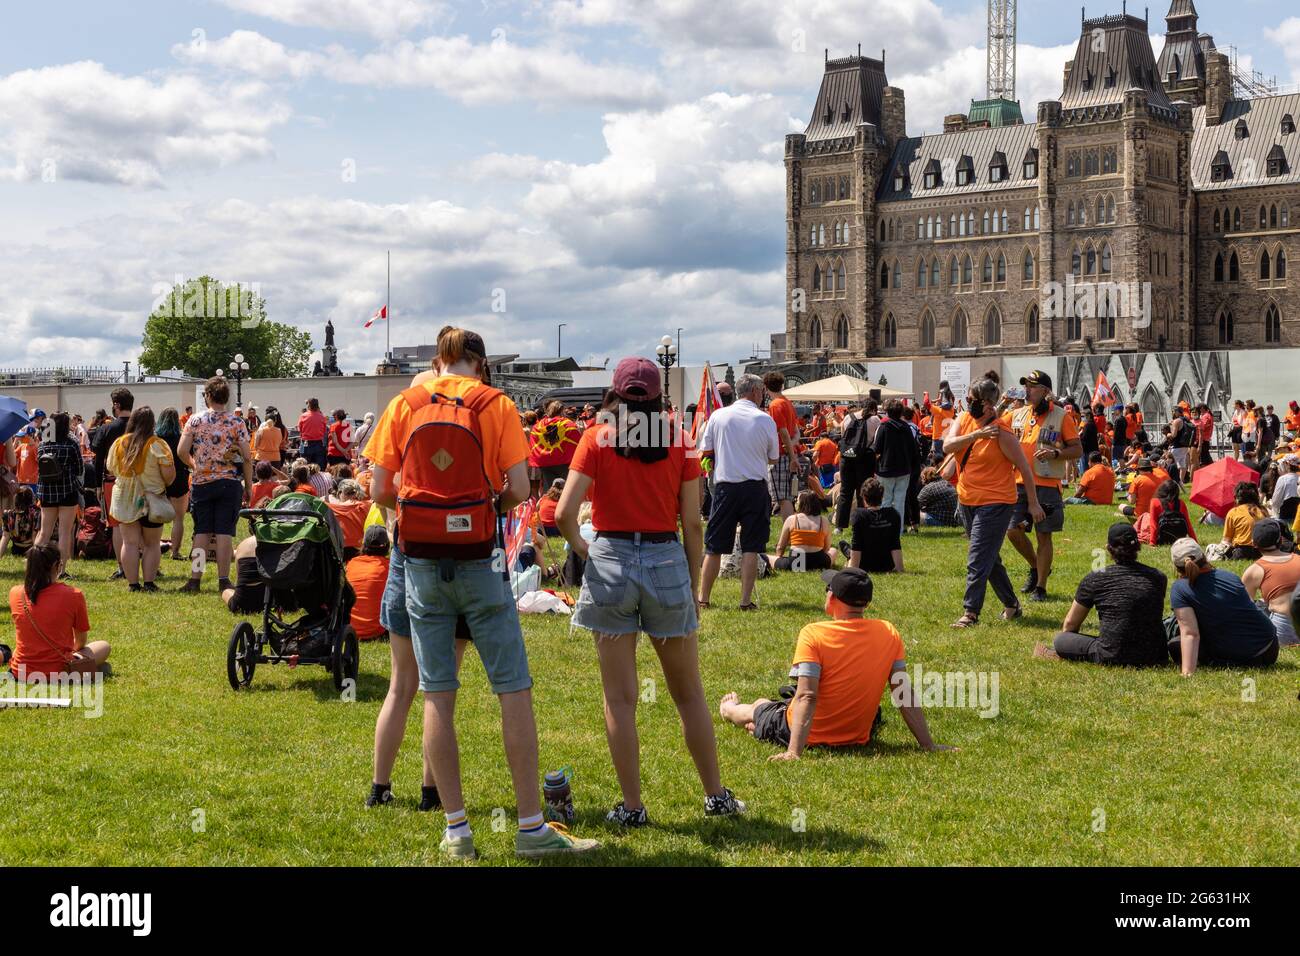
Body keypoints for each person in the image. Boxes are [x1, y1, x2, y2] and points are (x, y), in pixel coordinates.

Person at [368, 326, 598, 859]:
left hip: (422, 565)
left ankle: (456, 829)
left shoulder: (405, 402)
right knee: (512, 688)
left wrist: (416, 516)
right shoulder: (495, 405)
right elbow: (519, 488)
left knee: (436, 693)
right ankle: (530, 826)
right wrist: (482, 512)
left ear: (438, 360)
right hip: (480, 559)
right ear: (480, 362)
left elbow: (380, 488)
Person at [557, 356, 745, 828]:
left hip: (611, 563)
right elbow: (692, 523)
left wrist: (587, 550)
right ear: (659, 395)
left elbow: (563, 515)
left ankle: (633, 807)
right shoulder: (680, 440)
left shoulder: (597, 438)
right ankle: (716, 796)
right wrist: (688, 579)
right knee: (689, 694)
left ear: (615, 394)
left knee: (619, 699)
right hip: (665, 560)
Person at [718, 568, 953, 757]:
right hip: (857, 734)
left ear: (832, 598)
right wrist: (927, 744)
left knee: (760, 706)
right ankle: (762, 725)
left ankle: (730, 710)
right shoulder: (888, 632)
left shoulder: (813, 634)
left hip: (808, 733)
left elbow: (807, 696)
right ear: (866, 604)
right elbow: (902, 693)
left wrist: (793, 752)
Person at [944, 373, 1044, 629]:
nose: (968, 403)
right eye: (968, 399)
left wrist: (1033, 503)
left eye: (972, 399)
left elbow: (1024, 466)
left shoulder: (1002, 432)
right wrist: (976, 436)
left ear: (989, 404)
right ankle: (1012, 604)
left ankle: (971, 612)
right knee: (990, 557)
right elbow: (947, 446)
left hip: (997, 502)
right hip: (966, 499)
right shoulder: (965, 419)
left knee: (977, 557)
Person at [697, 374, 780, 611]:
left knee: (714, 546)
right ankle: (745, 600)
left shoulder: (718, 416)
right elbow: (774, 456)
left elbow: (707, 450)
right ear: (754, 391)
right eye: (761, 390)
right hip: (754, 487)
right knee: (751, 546)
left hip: (726, 486)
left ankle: (704, 598)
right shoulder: (764, 420)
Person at [1003, 371, 1081, 602]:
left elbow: (1077, 449)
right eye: (1026, 385)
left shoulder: (1061, 416)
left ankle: (1041, 587)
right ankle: (1037, 566)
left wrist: (1056, 452)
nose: (1027, 390)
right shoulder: (1017, 414)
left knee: (1044, 535)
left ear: (1046, 391)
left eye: (1033, 386)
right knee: (1012, 530)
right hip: (1018, 482)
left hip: (1046, 483)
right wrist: (1001, 403)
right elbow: (994, 425)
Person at [1043, 523, 1168, 666]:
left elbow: (1071, 624)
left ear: (1109, 548)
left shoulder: (1096, 578)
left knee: (1061, 640)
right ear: (1137, 546)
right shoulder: (1158, 577)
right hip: (1156, 655)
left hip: (1112, 654)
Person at [177, 377, 254, 595]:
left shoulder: (194, 420)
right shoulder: (237, 422)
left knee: (201, 532)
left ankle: (195, 579)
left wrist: (195, 465)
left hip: (202, 482)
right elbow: (247, 457)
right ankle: (223, 580)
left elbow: (182, 451)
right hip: (229, 483)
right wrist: (249, 485)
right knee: (224, 533)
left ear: (208, 396)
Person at [1168, 538, 1279, 674]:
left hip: (1242, 657)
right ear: (1203, 556)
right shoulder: (1229, 576)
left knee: (1175, 645)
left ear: (1177, 567)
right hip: (1269, 648)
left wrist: (1187, 673)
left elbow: (1190, 633)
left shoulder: (1180, 589)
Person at [7, 546, 110, 680]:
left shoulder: (15, 593)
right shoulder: (73, 595)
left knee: (21, 647)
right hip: (59, 670)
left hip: (21, 671)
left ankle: (90, 670)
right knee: (104, 646)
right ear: (56, 566)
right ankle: (87, 669)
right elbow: (80, 641)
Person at [106, 406, 176, 593]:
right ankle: (149, 583)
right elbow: (169, 475)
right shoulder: (158, 444)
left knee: (129, 543)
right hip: (151, 498)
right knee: (152, 543)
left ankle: (133, 584)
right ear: (152, 423)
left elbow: (110, 468)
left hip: (124, 498)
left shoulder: (119, 443)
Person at [91, 387, 133, 579]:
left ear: (116, 405)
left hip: (112, 480)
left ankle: (122, 567)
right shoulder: (140, 427)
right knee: (137, 522)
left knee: (115, 524)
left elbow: (98, 459)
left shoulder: (106, 428)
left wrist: (98, 484)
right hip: (136, 480)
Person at [35, 412, 84, 570]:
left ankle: (34, 565)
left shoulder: (44, 443)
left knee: (44, 532)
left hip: (47, 491)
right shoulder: (72, 443)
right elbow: (79, 469)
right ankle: (61, 569)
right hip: (67, 491)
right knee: (64, 532)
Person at [1241, 519, 1300, 646]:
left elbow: (1245, 608)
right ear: (1280, 540)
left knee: (1258, 606)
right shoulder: (1298, 559)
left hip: (1284, 630)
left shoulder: (1254, 570)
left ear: (1254, 544)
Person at [834, 400, 879, 531]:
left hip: (847, 458)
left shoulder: (848, 417)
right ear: (873, 409)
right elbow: (876, 441)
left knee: (845, 492)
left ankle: (839, 526)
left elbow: (843, 437)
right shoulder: (875, 420)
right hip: (865, 459)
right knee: (863, 491)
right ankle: (861, 523)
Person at [872, 400, 919, 524]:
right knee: (900, 501)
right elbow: (913, 450)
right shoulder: (907, 428)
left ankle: (885, 526)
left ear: (887, 412)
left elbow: (876, 449)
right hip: (904, 469)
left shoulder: (883, 427)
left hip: (886, 469)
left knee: (886, 500)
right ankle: (898, 529)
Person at [154, 408, 191, 563]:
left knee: (156, 519)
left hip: (160, 478)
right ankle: (175, 552)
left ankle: (154, 547)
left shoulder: (156, 439)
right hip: (180, 477)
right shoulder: (182, 437)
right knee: (179, 519)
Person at [764, 372, 802, 521]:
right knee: (787, 496)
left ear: (766, 387)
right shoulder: (787, 402)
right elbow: (797, 432)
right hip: (788, 454)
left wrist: (791, 455)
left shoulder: (775, 404)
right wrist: (792, 448)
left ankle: (791, 532)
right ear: (782, 385)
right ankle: (792, 530)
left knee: (782, 498)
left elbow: (783, 432)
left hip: (781, 456)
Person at [846, 477, 903, 573]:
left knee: (846, 546)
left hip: (864, 566)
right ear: (882, 496)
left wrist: (852, 568)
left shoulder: (859, 515)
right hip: (887, 565)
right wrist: (899, 568)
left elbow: (857, 545)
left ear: (864, 497)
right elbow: (895, 544)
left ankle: (847, 553)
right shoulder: (893, 514)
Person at [346, 524, 392, 640]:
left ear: (363, 544)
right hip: (377, 630)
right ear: (387, 546)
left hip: (350, 628)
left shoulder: (351, 564)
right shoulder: (389, 567)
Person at [771, 491, 835, 572]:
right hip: (819, 562)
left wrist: (778, 558)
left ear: (802, 504)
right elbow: (827, 548)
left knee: (769, 558)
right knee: (833, 550)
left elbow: (780, 547)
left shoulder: (792, 519)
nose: (796, 502)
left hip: (796, 562)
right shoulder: (824, 521)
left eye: (797, 500)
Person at [530, 400, 581, 487]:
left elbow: (533, 439)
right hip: (564, 461)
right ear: (561, 410)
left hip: (544, 462)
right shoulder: (568, 424)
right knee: (565, 488)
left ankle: (547, 500)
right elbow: (577, 440)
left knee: (548, 488)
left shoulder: (538, 426)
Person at [1221, 481, 1270, 560]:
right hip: (1261, 552)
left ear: (1237, 498)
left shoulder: (1234, 512)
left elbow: (1226, 541)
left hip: (1241, 552)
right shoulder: (1263, 510)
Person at [327, 479, 370, 562]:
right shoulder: (367, 506)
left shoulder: (330, 508)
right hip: (361, 549)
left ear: (340, 493)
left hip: (339, 550)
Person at [1143, 479, 1195, 546]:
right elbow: (1188, 524)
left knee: (1145, 516)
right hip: (1180, 539)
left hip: (1162, 539)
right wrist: (1194, 541)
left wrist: (1152, 542)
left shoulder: (1154, 502)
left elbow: (1153, 524)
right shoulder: (1181, 503)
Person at [0, 486, 40, 559]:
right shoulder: (36, 514)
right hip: (30, 548)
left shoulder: (8, 515)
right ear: (31, 499)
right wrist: (35, 557)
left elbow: (5, 537)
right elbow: (35, 536)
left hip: (16, 550)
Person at [297, 398, 329, 469]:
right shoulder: (322, 417)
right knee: (319, 466)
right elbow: (324, 431)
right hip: (319, 444)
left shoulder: (303, 416)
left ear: (309, 405)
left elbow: (299, 429)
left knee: (304, 466)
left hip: (306, 444)